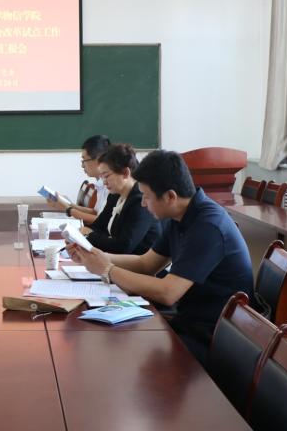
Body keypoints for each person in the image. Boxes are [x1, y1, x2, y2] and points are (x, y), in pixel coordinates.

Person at [66, 150, 253, 365]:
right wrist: (98, 257)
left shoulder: (208, 226)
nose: (143, 203)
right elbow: (146, 264)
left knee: (119, 354)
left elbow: (168, 293)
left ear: (170, 196)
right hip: (190, 318)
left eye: (146, 196)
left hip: (214, 336)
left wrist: (108, 270)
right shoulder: (180, 215)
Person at [81, 143, 159, 255]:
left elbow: (123, 247)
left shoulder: (141, 201)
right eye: (102, 176)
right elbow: (98, 226)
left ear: (125, 173)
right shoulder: (115, 194)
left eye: (106, 176)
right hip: (115, 259)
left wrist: (89, 235)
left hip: (138, 263)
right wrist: (84, 233)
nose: (104, 182)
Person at [49, 134, 111, 225]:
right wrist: (67, 204)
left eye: (84, 160)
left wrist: (68, 209)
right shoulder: (100, 185)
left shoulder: (110, 186)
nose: (82, 165)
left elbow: (101, 220)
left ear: (98, 159)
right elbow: (96, 212)